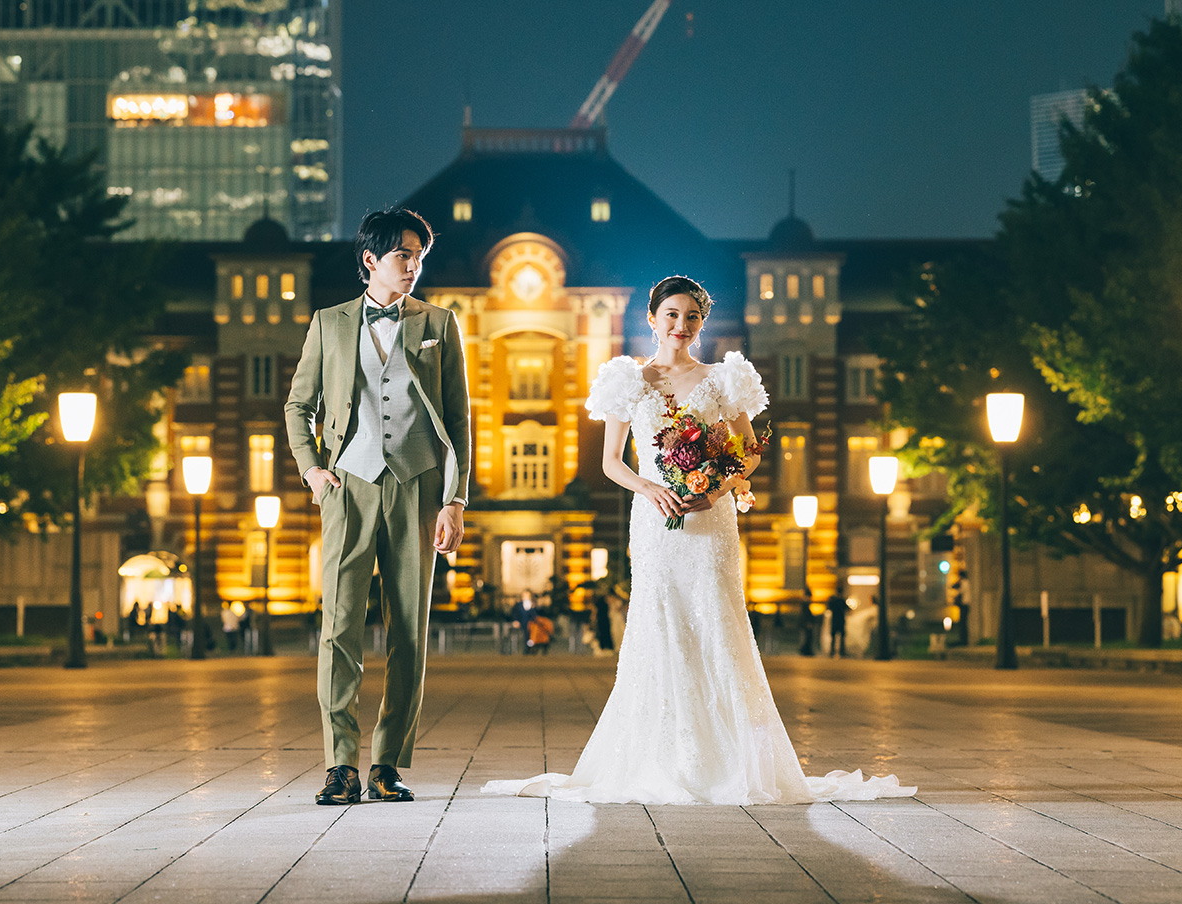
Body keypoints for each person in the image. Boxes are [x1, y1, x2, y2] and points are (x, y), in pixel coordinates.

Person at [483, 276, 915, 805]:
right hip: (654, 518)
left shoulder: (723, 378)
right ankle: (658, 754)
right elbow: (610, 462)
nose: (680, 326)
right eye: (671, 315)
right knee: (658, 623)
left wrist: (718, 488)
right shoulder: (628, 380)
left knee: (716, 620)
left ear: (701, 323)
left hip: (709, 519)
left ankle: (732, 758)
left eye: (691, 316)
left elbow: (750, 451)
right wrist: (648, 489)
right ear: (652, 318)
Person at [285, 207, 470, 806]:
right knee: (338, 629)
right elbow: (297, 406)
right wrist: (313, 470)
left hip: (418, 487)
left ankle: (387, 763)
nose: (414, 265)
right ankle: (340, 763)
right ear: (371, 260)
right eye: (403, 255)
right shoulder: (328, 323)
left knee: (409, 633)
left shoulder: (440, 322)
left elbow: (460, 422)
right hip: (348, 486)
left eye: (420, 255)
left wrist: (455, 497)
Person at [824, 592, 849, 658]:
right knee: (842, 638)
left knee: (833, 637)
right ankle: (842, 652)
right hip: (841, 621)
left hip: (834, 621)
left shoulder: (833, 601)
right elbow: (847, 608)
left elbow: (828, 608)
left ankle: (832, 651)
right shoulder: (842, 601)